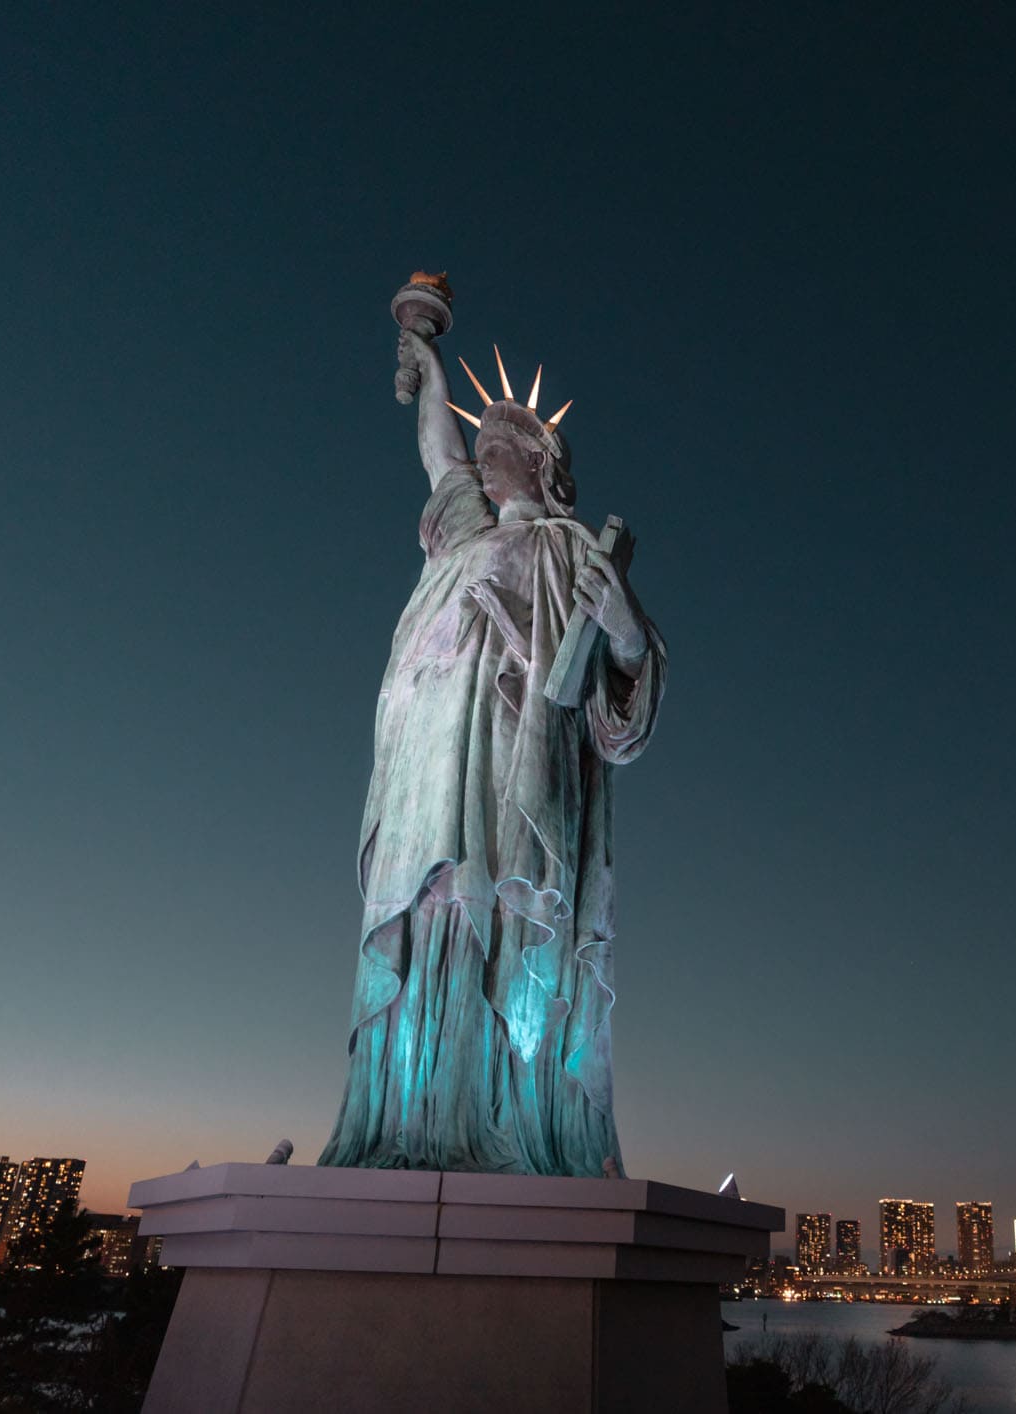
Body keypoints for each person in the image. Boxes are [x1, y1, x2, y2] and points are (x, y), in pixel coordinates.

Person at [316, 317, 665, 1178]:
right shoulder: (465, 536)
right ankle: (414, 1117)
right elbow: (438, 456)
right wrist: (429, 367)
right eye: (485, 439)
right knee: (431, 906)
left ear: (545, 466)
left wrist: (624, 630)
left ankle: (513, 1118)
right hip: (428, 758)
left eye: (504, 440)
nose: (485, 449)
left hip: (520, 768)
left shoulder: (572, 548)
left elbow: (624, 705)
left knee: (511, 920)